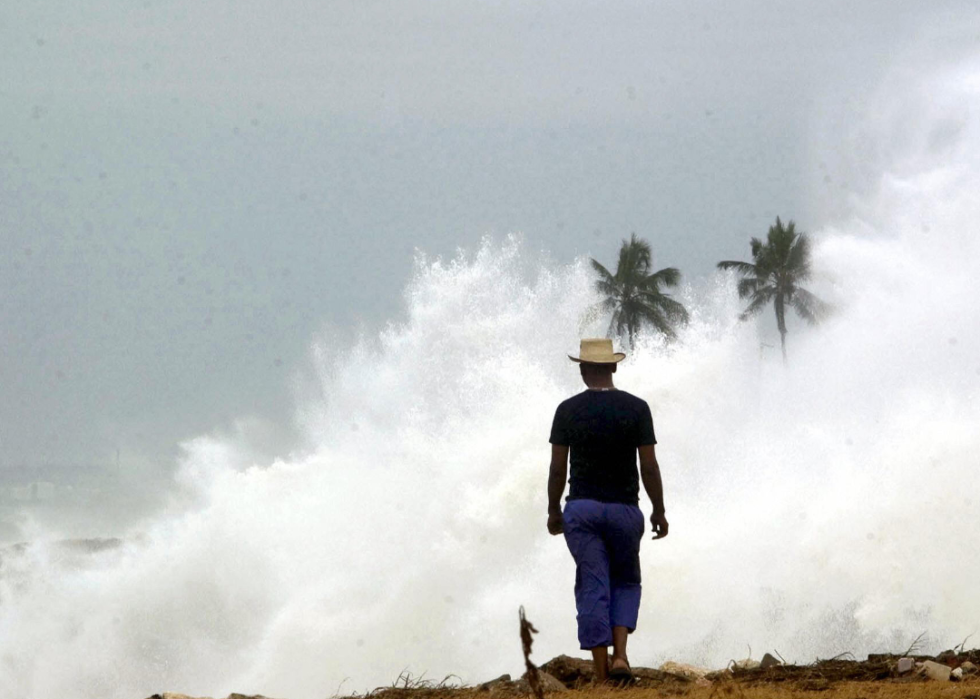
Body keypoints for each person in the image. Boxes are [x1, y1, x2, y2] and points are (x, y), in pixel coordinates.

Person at [547, 337, 668, 682]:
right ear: (613, 367)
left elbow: (558, 469)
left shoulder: (567, 410)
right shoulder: (636, 408)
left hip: (582, 510)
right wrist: (659, 510)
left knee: (592, 584)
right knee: (626, 581)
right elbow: (649, 466)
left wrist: (554, 510)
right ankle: (621, 658)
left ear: (584, 370)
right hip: (624, 510)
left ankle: (601, 677)